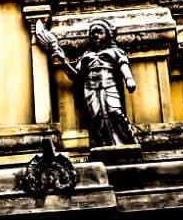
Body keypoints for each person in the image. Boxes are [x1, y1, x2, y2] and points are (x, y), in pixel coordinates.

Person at [34, 19, 137, 147]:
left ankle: (126, 141)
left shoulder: (115, 52)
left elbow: (123, 65)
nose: (96, 35)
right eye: (93, 33)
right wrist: (64, 62)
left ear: (108, 35)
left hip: (108, 86)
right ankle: (102, 145)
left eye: (99, 32)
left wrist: (129, 78)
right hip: (90, 88)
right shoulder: (86, 56)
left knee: (115, 113)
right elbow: (77, 77)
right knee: (96, 118)